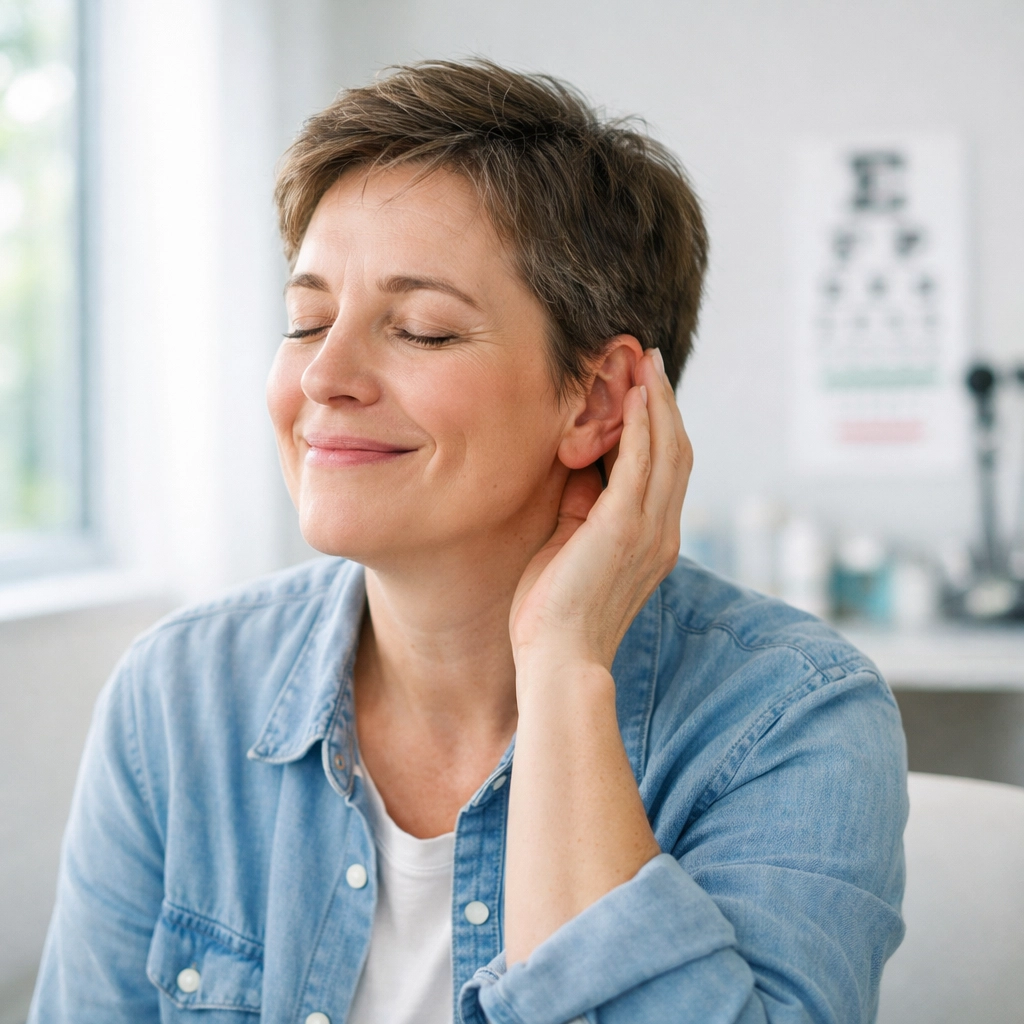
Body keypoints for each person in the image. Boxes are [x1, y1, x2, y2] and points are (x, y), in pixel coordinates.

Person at [29, 60, 906, 1024]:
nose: (324, 375)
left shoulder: (790, 719)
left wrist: (564, 675)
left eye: (421, 330)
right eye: (307, 321)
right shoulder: (179, 693)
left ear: (596, 400)